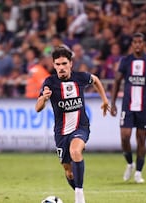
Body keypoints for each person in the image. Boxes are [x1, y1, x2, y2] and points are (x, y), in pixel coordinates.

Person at [35, 47, 109, 203]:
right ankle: (77, 189)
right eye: (57, 64)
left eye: (64, 63)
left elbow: (95, 79)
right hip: (61, 132)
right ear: (54, 65)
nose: (61, 67)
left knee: (75, 151)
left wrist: (105, 100)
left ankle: (79, 198)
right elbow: (37, 108)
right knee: (69, 172)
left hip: (81, 127)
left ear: (70, 64)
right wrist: (44, 98)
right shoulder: (50, 82)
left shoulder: (80, 78)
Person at [110, 32, 146, 183]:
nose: (138, 45)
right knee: (125, 137)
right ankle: (129, 163)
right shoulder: (126, 61)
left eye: (140, 42)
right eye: (135, 42)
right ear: (132, 44)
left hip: (144, 107)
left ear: (144, 44)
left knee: (141, 140)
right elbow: (117, 81)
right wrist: (113, 103)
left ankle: (139, 172)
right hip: (127, 106)